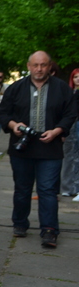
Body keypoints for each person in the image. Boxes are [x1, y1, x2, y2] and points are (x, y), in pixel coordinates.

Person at [0, 51, 77, 248]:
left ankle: (49, 230)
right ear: (29, 65)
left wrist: (57, 131)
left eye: (43, 65)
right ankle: (20, 223)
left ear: (50, 66)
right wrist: (14, 125)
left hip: (51, 147)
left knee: (48, 190)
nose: (39, 69)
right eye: (35, 65)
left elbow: (71, 113)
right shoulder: (16, 88)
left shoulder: (62, 89)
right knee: (22, 189)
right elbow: (3, 113)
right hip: (21, 147)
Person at [62, 69, 79, 200]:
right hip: (71, 127)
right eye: (75, 77)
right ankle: (67, 187)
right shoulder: (69, 93)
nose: (78, 79)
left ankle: (75, 187)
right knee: (68, 157)